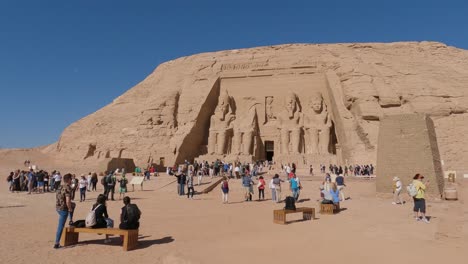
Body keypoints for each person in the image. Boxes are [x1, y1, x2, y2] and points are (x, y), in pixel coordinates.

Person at [53, 173, 73, 249]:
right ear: (69, 180)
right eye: (71, 179)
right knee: (60, 226)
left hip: (58, 207)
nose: (72, 180)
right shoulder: (67, 188)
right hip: (63, 208)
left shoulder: (60, 186)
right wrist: (69, 208)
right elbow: (68, 200)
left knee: (73, 205)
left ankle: (71, 219)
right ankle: (56, 243)